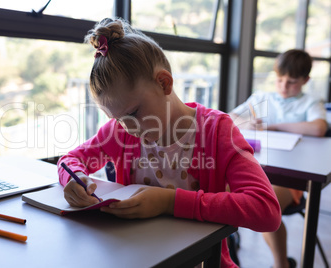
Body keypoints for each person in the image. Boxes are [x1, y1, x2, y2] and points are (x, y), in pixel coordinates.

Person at [58, 18, 281, 268]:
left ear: (164, 83)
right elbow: (70, 161)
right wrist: (74, 180)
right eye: (117, 119)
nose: (128, 128)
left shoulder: (217, 130)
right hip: (135, 257)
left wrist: (169, 202)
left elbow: (266, 211)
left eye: (133, 113)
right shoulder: (119, 132)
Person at [229, 49, 328, 268]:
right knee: (218, 193)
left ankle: (281, 264)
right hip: (253, 170)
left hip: (288, 180)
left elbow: (318, 128)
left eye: (291, 82)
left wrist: (274, 126)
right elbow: (231, 117)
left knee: (262, 206)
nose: (283, 86)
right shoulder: (262, 98)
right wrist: (247, 123)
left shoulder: (310, 103)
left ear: (305, 80)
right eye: (280, 80)